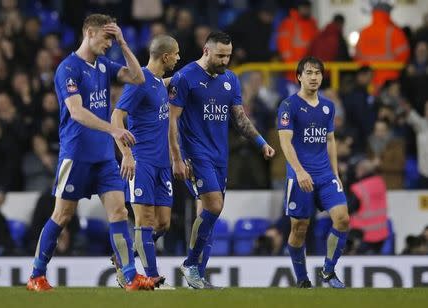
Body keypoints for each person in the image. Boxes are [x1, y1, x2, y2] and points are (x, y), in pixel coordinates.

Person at [26, 14, 155, 292]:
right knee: (62, 215)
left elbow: (138, 77)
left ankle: (130, 277)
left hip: (104, 157)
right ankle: (36, 274)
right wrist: (113, 130)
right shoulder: (68, 68)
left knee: (120, 212)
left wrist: (123, 41)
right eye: (107, 38)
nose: (109, 44)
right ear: (89, 33)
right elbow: (76, 111)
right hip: (76, 155)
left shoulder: (104, 65)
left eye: (112, 39)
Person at [168, 31, 275, 289]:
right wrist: (178, 157)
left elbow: (239, 119)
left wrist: (261, 143)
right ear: (206, 50)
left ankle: (198, 276)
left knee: (210, 214)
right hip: (196, 154)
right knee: (214, 206)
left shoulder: (231, 80)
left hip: (219, 156)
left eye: (228, 55)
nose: (225, 60)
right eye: (220, 55)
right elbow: (172, 120)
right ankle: (191, 263)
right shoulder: (185, 77)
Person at [111, 35, 180, 290]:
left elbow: (159, 84)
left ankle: (123, 258)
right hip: (142, 162)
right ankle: (152, 278)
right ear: (165, 56)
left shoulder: (155, 82)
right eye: (176, 54)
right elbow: (116, 118)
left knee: (163, 223)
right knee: (145, 221)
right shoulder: (138, 81)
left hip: (162, 164)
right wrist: (127, 154)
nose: (178, 58)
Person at [277, 56, 349, 288]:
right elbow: (285, 143)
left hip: (325, 176)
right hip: (300, 177)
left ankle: (327, 271)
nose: (314, 77)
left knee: (343, 219)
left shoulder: (328, 106)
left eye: (317, 73)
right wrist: (299, 172)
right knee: (299, 229)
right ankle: (302, 279)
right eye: (309, 72)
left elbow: (330, 140)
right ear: (299, 77)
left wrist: (335, 172)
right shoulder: (289, 106)